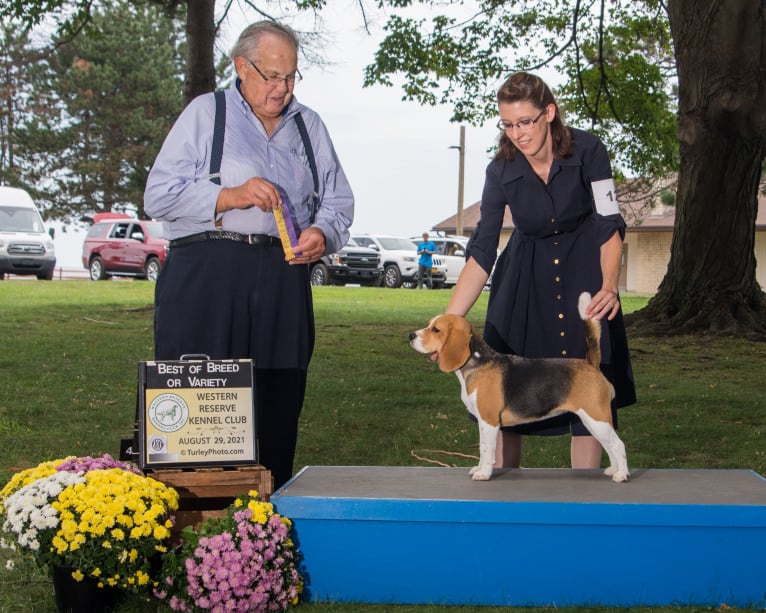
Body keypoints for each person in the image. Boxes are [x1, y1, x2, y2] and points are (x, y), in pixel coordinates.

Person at [144, 21, 354, 489]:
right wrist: (229, 195)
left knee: (278, 405)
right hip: (207, 274)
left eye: (291, 77)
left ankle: (264, 526)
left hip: (283, 277)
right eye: (272, 75)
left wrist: (322, 232)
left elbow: (339, 202)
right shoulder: (205, 113)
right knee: (199, 406)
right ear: (242, 67)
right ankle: (192, 526)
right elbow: (157, 195)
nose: (282, 88)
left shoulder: (310, 126)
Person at [447, 71, 635, 470]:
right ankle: (501, 501)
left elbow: (608, 222)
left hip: (583, 267)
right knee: (504, 396)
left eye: (525, 122)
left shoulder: (589, 150)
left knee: (584, 391)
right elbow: (482, 251)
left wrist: (608, 285)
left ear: (548, 113)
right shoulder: (500, 170)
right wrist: (450, 320)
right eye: (508, 124)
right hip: (523, 283)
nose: (517, 133)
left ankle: (586, 501)